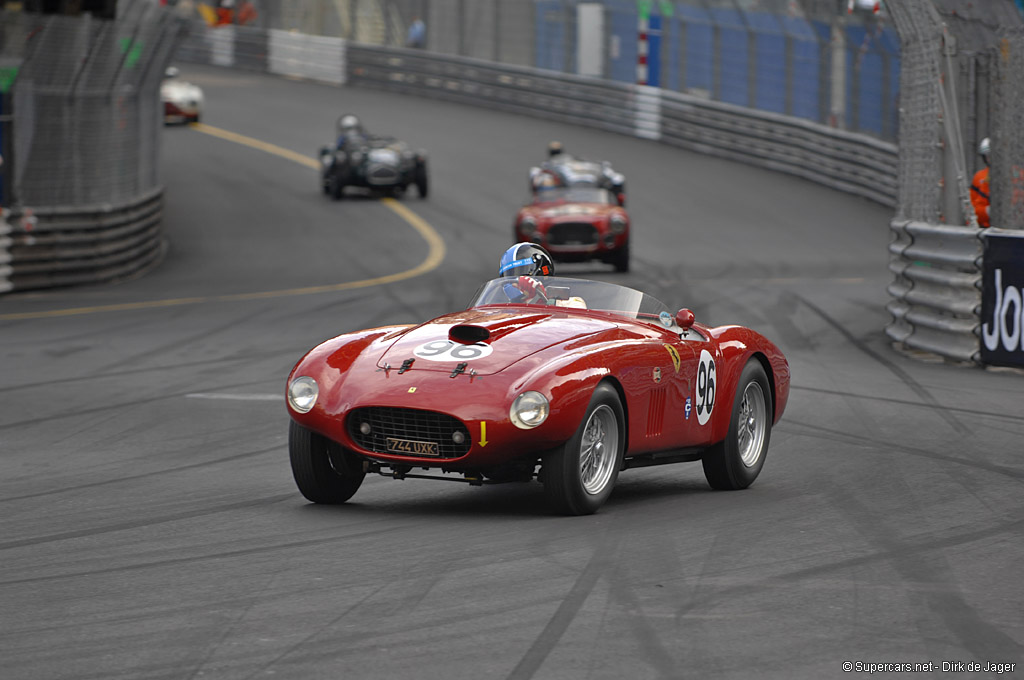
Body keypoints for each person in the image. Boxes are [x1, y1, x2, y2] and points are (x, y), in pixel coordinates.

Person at [971, 137, 991, 228]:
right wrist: (988, 211)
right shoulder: (981, 177)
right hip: (986, 227)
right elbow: (974, 207)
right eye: (988, 156)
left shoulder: (1018, 174)